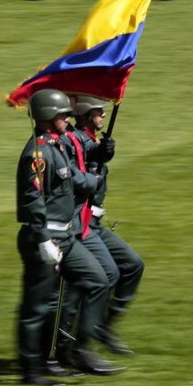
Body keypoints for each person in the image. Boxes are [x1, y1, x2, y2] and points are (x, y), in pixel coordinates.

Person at [15, 89, 119, 386]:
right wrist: (43, 238)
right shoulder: (37, 153)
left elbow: (72, 177)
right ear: (48, 117)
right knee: (37, 306)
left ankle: (79, 349)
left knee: (97, 280)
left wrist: (96, 177)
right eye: (62, 115)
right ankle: (32, 369)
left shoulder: (57, 146)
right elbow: (32, 201)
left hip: (67, 237)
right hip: (46, 238)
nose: (67, 119)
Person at [69, 96, 145, 355]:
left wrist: (102, 154)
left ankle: (104, 326)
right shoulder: (75, 140)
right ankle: (81, 338)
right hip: (81, 223)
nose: (103, 115)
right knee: (107, 274)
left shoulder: (89, 140)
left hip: (95, 222)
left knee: (133, 265)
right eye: (98, 112)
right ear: (87, 115)